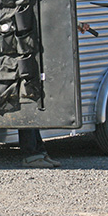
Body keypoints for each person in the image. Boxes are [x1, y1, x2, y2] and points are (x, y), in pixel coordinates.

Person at [20, 22, 94, 168]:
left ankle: (38, 152)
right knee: (26, 104)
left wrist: (75, 24)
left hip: (30, 53)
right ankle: (31, 155)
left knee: (32, 104)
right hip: (23, 56)